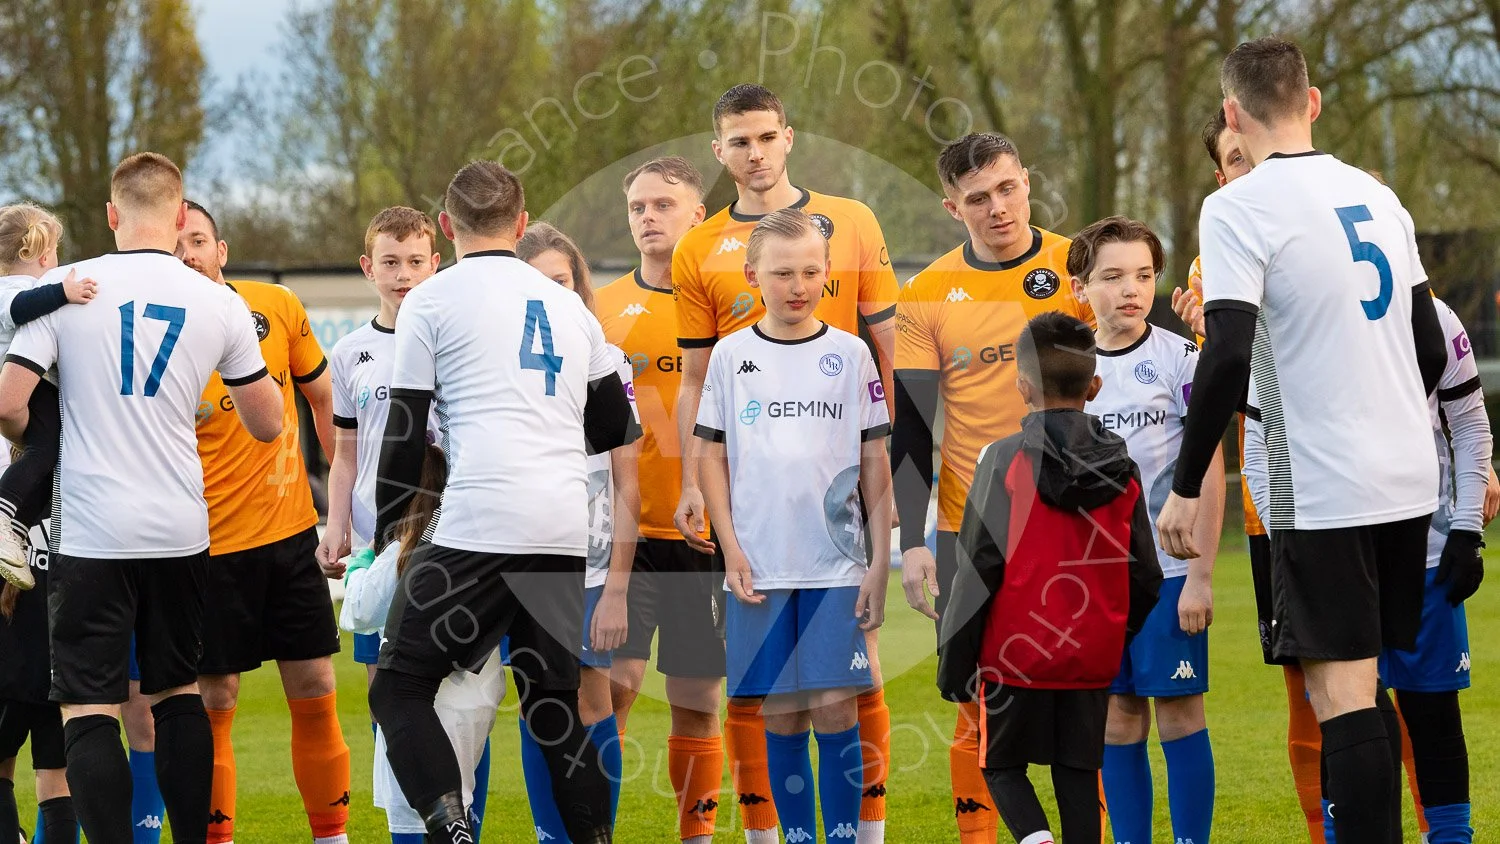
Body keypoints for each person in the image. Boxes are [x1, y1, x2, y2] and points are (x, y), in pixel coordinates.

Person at [1155, 38, 1449, 843]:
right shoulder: (1374, 195)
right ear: (1312, 102)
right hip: (1406, 480)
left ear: (1232, 117)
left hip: (1320, 485)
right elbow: (1428, 348)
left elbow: (1227, 354)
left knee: (1341, 698)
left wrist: (1185, 486)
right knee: (1371, 684)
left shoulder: (1236, 206)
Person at [0, 151, 283, 844]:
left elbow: (8, 403)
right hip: (180, 527)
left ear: (111, 214)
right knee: (176, 696)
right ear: (182, 216)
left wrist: (39, 443)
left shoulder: (69, 284)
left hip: (91, 530)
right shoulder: (219, 300)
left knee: (88, 710)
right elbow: (268, 421)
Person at [367, 160, 637, 844]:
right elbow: (611, 428)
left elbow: (404, 436)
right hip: (559, 527)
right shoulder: (569, 307)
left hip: (478, 522)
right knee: (554, 707)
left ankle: (450, 828)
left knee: (397, 687)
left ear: (447, 227)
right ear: (520, 226)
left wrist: (382, 542)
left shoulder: (431, 299)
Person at [672, 83, 900, 844]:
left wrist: (877, 557)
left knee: (837, 703)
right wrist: (732, 547)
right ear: (754, 278)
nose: (798, 287)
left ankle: (849, 835)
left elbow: (874, 458)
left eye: (811, 275)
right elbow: (707, 451)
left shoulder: (850, 355)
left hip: (836, 564)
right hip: (759, 563)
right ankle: (794, 837)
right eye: (781, 274)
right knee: (776, 708)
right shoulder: (733, 357)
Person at [891, 131, 1093, 842]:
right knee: (975, 704)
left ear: (1027, 183)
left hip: (1071, 521)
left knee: (1082, 703)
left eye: (1007, 189)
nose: (998, 207)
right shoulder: (923, 295)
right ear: (953, 207)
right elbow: (911, 426)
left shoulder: (1079, 265)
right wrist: (911, 542)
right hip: (968, 528)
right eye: (978, 198)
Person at [936, 311, 1161, 844]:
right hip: (1090, 658)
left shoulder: (1004, 460)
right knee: (1078, 773)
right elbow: (1147, 577)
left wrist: (955, 660)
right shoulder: (1123, 470)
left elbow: (977, 568)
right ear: (1095, 384)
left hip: (1015, 657)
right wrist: (1107, 633)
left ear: (1021, 387)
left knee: (1000, 766)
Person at [175, 200, 349, 844]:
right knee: (213, 704)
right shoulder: (158, 329)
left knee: (315, 685)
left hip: (289, 538)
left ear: (222, 250)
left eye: (198, 240)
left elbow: (323, 397)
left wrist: (346, 498)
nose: (188, 252)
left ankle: (332, 837)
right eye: (176, 244)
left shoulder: (275, 306)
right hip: (203, 549)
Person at [1070, 217, 1224, 844]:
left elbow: (1210, 467)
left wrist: (1202, 577)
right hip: (1096, 583)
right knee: (1116, 719)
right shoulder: (1067, 370)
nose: (1130, 290)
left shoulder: (1182, 358)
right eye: (1111, 277)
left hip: (1169, 577)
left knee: (1181, 715)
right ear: (1082, 287)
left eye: (1142, 275)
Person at [599, 157, 725, 844]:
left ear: (697, 216)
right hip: (625, 538)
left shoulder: (726, 307)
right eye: (638, 207)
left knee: (698, 700)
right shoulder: (602, 308)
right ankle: (599, 831)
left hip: (703, 537)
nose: (649, 217)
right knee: (613, 690)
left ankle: (696, 836)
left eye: (663, 205)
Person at [516, 222, 640, 840]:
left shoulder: (608, 363)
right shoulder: (496, 365)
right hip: (514, 560)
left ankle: (598, 833)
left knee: (593, 705)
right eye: (538, 283)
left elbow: (626, 482)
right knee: (535, 707)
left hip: (588, 564)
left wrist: (617, 585)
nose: (553, 294)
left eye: (562, 281)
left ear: (580, 285)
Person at [339, 444, 505, 844]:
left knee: (417, 813)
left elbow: (360, 611)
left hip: (420, 702)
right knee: (459, 804)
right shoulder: (478, 549)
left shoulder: (405, 550)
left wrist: (358, 569)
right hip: (476, 696)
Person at [0, 205, 96, 585]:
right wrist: (64, 292)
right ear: (39, 254)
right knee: (43, 452)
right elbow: (22, 308)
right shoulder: (14, 289)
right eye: (55, 253)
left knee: (51, 459)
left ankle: (17, 531)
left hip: (30, 379)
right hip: (25, 379)